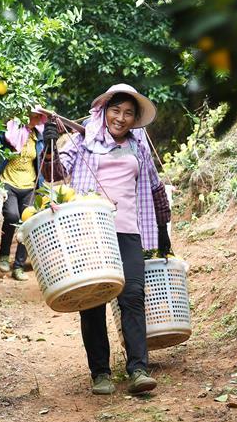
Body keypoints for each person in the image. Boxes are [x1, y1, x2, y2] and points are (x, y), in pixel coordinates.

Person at [42, 84, 172, 396]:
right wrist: (47, 148)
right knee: (93, 299)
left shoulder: (138, 145)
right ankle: (100, 372)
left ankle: (138, 369)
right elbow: (54, 174)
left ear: (135, 119)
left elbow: (154, 186)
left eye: (128, 113)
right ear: (104, 111)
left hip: (128, 228)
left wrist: (164, 230)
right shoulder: (83, 140)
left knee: (133, 295)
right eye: (116, 110)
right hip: (89, 229)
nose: (121, 118)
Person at [0, 109, 48, 281]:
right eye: (32, 115)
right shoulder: (11, 132)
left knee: (27, 223)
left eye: (38, 116)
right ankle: (3, 256)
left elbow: (44, 157)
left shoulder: (38, 137)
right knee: (11, 216)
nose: (34, 119)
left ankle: (18, 266)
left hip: (30, 186)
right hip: (9, 182)